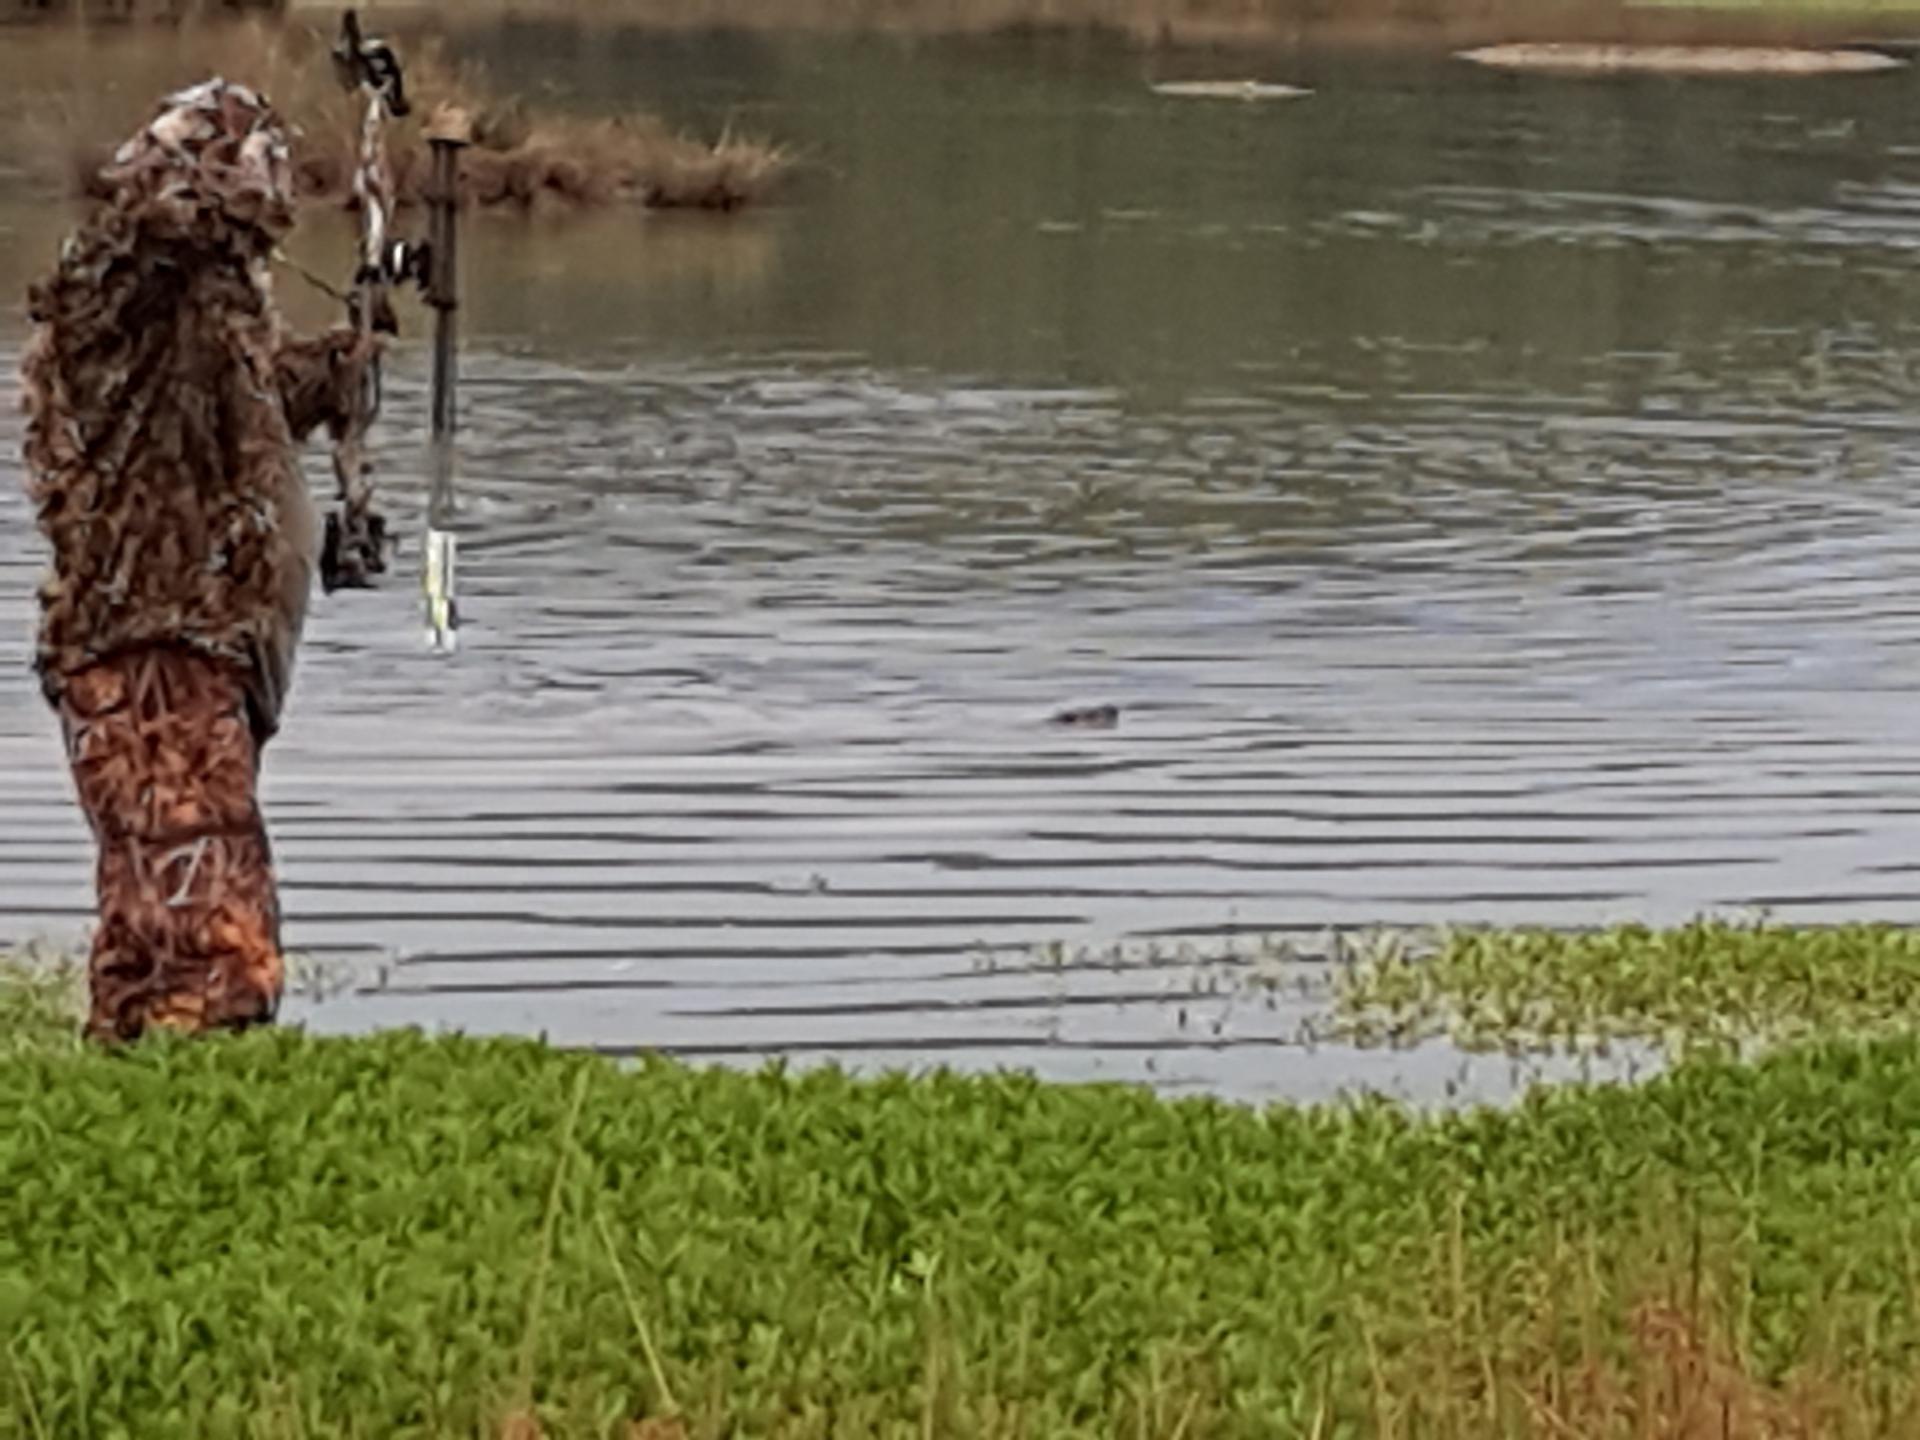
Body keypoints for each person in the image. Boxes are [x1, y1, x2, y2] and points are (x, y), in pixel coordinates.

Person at [21, 79, 373, 1042]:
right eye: (261, 174)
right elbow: (172, 236)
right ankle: (192, 1102)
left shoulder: (200, 322)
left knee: (170, 906)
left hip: (195, 658)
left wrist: (341, 370)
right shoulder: (120, 291)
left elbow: (246, 396)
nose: (273, 206)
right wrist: (240, 173)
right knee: (199, 922)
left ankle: (146, 1092)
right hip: (146, 657)